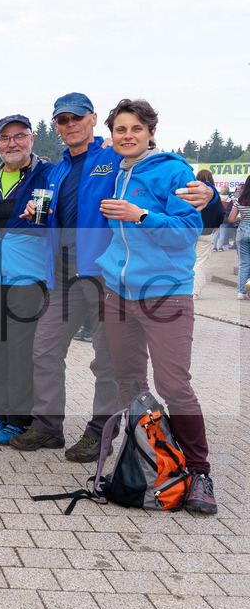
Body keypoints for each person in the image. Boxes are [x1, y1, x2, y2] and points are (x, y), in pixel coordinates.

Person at [9, 93, 216, 462]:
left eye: (77, 118)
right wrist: (34, 211)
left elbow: (167, 181)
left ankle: (99, 431)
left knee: (107, 361)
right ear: (56, 126)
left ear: (91, 120)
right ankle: (47, 425)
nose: (70, 125)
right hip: (62, 272)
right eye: (62, 120)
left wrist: (210, 193)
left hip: (104, 273)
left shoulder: (114, 157)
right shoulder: (57, 170)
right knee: (44, 349)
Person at [95, 98, 215, 513]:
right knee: (129, 383)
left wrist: (141, 214)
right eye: (120, 130)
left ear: (150, 133)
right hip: (118, 293)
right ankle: (145, 459)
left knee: (174, 385)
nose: (127, 136)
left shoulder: (173, 170)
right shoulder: (117, 171)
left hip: (166, 295)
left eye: (135, 129)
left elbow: (187, 232)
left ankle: (200, 473)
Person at [0, 115, 53, 445]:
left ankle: (21, 419)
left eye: (19, 136)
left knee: (21, 354)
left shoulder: (47, 174)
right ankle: (0, 414)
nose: (12, 143)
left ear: (31, 139)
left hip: (28, 281)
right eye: (5, 138)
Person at [191, 169, 217, 298]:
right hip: (207, 231)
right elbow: (220, 213)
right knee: (200, 261)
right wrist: (216, 225)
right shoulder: (212, 193)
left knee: (188, 259)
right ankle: (194, 291)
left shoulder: (192, 192)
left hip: (191, 229)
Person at [235, 178, 250, 300]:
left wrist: (242, 218)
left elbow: (230, 218)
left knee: (244, 263)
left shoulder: (239, 200)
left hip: (242, 231)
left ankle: (241, 292)